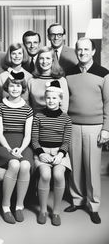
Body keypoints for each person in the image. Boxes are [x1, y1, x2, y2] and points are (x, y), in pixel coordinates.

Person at [64, 37, 109, 224]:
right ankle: (77, 199)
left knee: (91, 168)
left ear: (93, 52)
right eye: (79, 49)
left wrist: (106, 128)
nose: (82, 52)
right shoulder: (68, 74)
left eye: (86, 49)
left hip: (95, 126)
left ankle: (93, 204)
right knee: (75, 166)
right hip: (73, 125)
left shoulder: (104, 74)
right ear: (76, 51)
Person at [32, 81, 72, 226]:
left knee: (58, 175)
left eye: (55, 98)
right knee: (45, 175)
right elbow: (34, 140)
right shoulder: (39, 116)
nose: (51, 101)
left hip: (59, 153)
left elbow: (66, 142)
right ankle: (42, 210)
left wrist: (60, 155)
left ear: (60, 99)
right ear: (45, 99)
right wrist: (41, 154)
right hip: (42, 151)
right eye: (48, 98)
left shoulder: (66, 118)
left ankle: (56, 212)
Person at [0, 73, 33, 224]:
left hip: (22, 145)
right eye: (12, 85)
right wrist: (9, 149)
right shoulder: (1, 106)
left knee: (25, 165)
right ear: (7, 87)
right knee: (14, 164)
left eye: (18, 85)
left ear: (23, 88)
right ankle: (5, 206)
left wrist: (21, 149)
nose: (15, 88)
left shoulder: (27, 108)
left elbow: (27, 135)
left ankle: (19, 205)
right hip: (4, 143)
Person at [27, 46, 69, 114]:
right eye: (41, 58)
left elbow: (64, 108)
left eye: (48, 58)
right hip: (35, 120)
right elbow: (27, 105)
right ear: (38, 60)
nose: (44, 61)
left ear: (53, 60)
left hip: (56, 120)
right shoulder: (31, 81)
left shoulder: (61, 80)